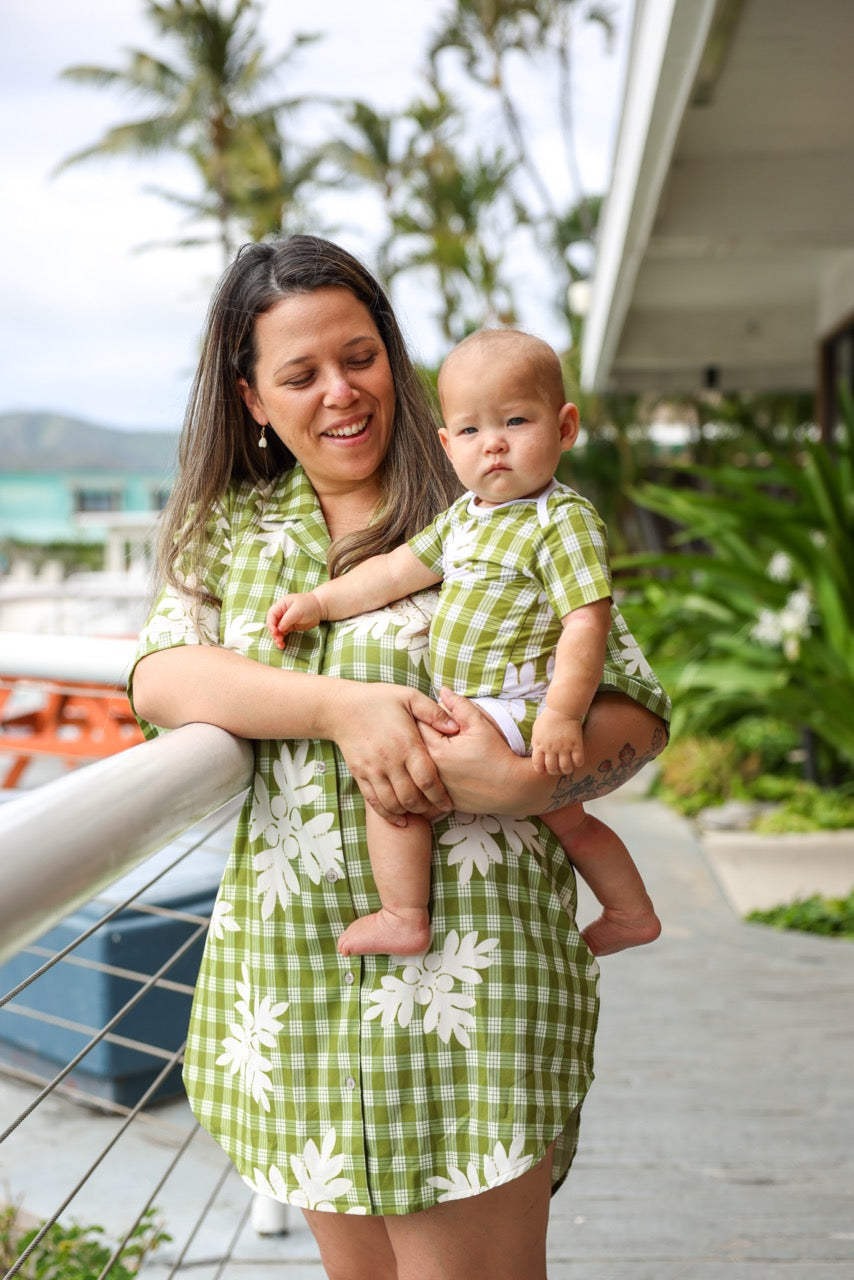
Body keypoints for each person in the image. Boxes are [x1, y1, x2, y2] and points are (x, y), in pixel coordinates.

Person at [130, 234, 669, 1280]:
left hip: (471, 978)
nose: (339, 391)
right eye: (299, 373)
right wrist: (341, 707)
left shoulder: (491, 504)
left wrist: (526, 779)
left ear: (394, 356)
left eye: (359, 355)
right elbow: (161, 677)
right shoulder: (229, 533)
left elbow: (632, 713)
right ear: (250, 398)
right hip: (299, 978)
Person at [266, 327, 666, 961]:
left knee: (395, 781)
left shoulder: (560, 518)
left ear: (564, 428)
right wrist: (321, 602)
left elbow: (586, 622)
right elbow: (395, 570)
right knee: (573, 823)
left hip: (524, 703)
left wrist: (561, 716)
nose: (496, 444)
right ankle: (631, 912)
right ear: (449, 445)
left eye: (515, 420)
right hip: (486, 706)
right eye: (473, 432)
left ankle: (403, 912)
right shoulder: (462, 517)